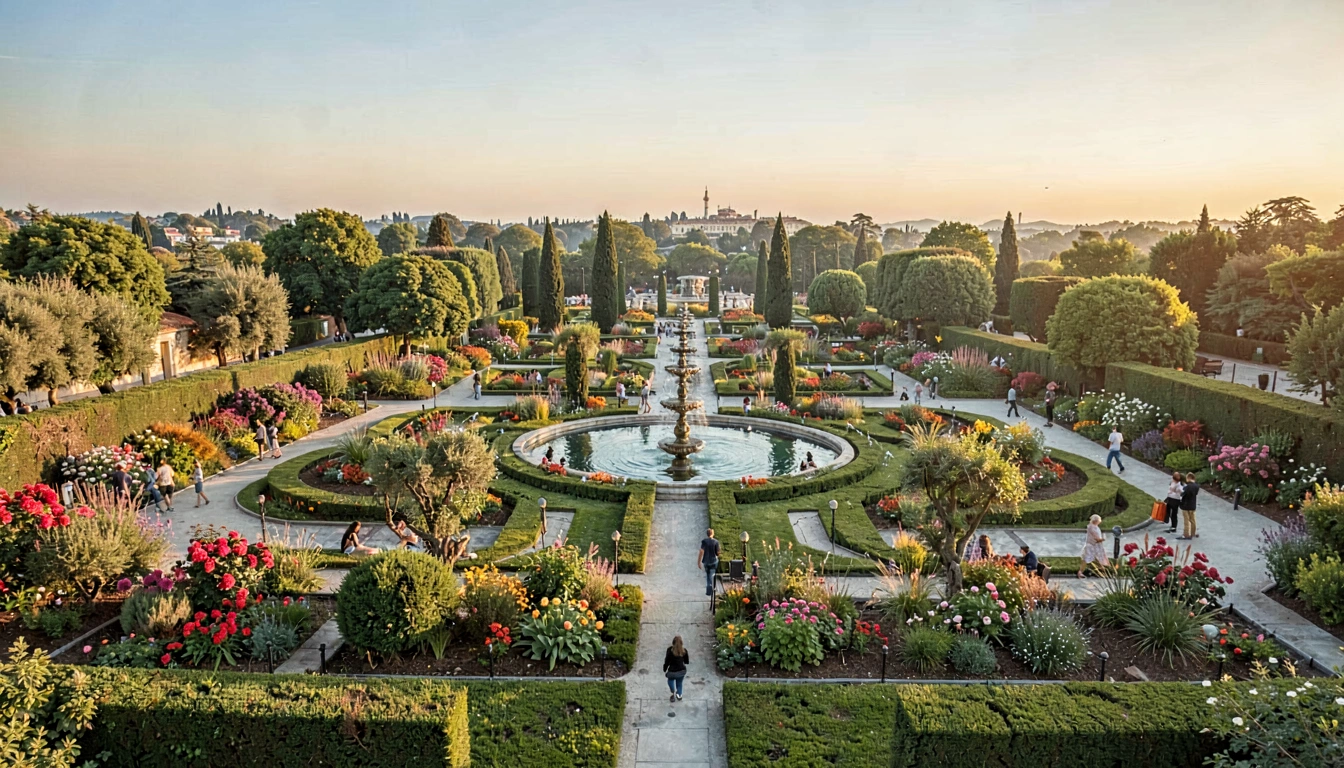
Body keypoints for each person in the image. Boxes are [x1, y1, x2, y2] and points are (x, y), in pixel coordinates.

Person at [663, 635, 689, 702]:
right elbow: (686, 661)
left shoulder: (669, 650)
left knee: (670, 680)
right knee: (679, 683)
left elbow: (667, 661)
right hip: (681, 671)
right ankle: (679, 695)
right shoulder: (684, 651)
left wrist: (665, 669)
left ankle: (672, 691)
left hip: (672, 672)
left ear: (673, 643)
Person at [698, 528, 720, 597]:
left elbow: (701, 551)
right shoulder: (716, 542)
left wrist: (699, 562)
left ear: (707, 534)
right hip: (713, 561)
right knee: (712, 575)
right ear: (713, 534)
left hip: (706, 561)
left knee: (708, 575)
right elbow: (718, 553)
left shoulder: (704, 542)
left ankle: (708, 590)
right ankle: (712, 588)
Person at [1179, 472, 1200, 540]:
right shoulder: (1197, 486)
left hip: (1186, 505)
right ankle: (1193, 533)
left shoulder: (1187, 487)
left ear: (1189, 478)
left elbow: (1182, 494)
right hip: (1193, 505)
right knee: (1193, 520)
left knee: (1186, 520)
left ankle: (1186, 534)